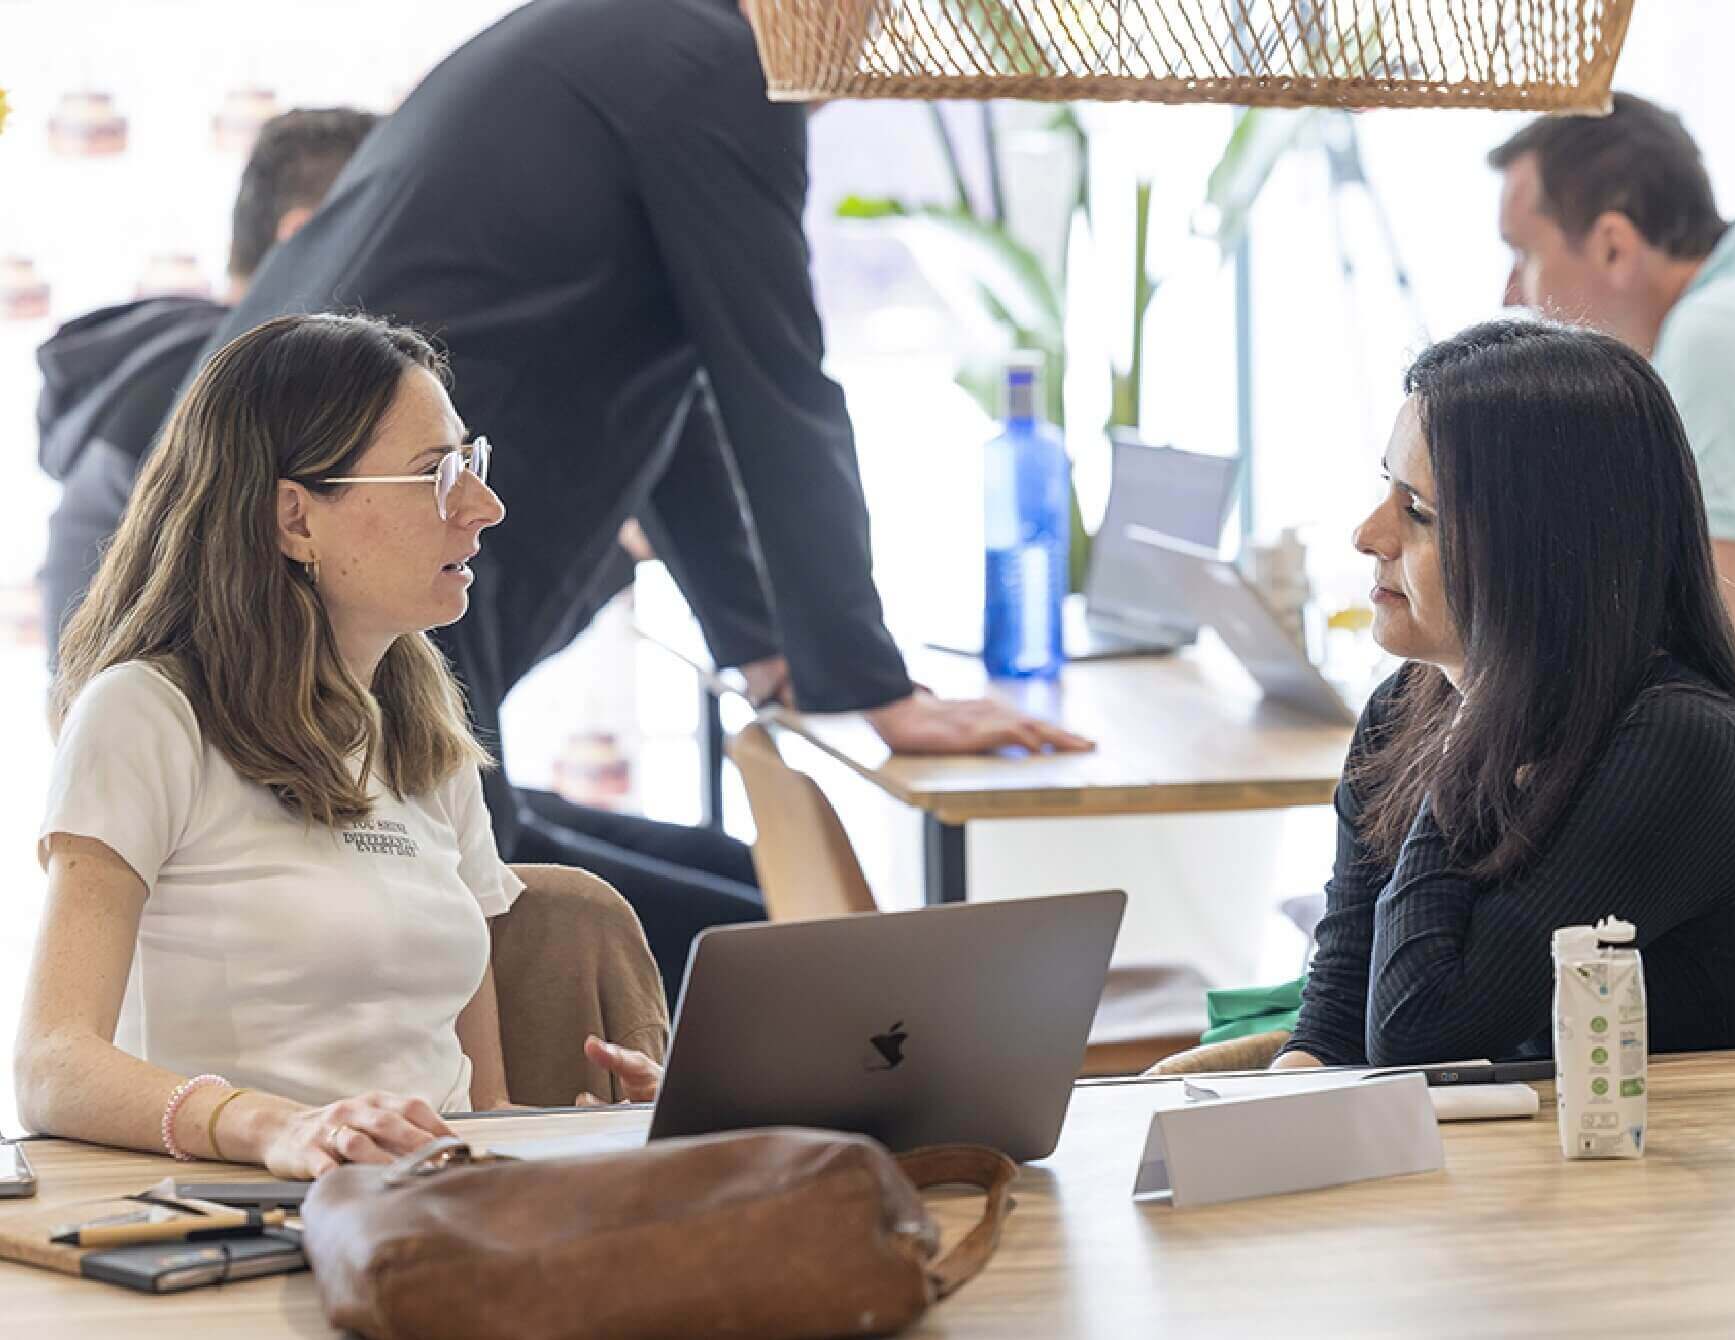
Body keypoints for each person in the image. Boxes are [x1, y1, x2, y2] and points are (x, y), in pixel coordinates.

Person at [198, 1, 1091, 907]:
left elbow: (678, 394)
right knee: (753, 944)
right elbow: (778, 383)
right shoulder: (715, 64)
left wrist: (764, 645)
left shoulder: (627, 39)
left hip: (297, 567)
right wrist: (875, 687)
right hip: (341, 579)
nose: (858, 52)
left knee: (756, 914)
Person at [15, 314, 660, 1179]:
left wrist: (617, 1128)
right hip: (238, 1214)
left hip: (428, 1216)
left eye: (472, 465)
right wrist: (278, 1129)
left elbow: (480, 1110)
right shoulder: (146, 715)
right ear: (295, 518)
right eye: (438, 476)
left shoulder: (424, 740)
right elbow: (51, 1065)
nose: (484, 507)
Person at [1270, 319, 1735, 1069]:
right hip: (1501, 1166)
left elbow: (1420, 1034)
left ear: (1536, 549)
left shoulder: (1680, 744)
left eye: (1417, 511)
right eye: (1386, 487)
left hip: (1657, 1176)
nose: (1368, 533)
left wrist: (1467, 744)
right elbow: (1340, 1010)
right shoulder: (1406, 706)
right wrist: (1273, 1118)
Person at [37, 107, 379, 661]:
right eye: (379, 224)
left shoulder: (169, 380)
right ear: (302, 235)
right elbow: (89, 697)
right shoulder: (203, 398)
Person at [1490, 93, 1735, 698]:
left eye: (1526, 254)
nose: (1511, 295)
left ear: (1614, 247)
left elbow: (1720, 645)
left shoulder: (1715, 337)